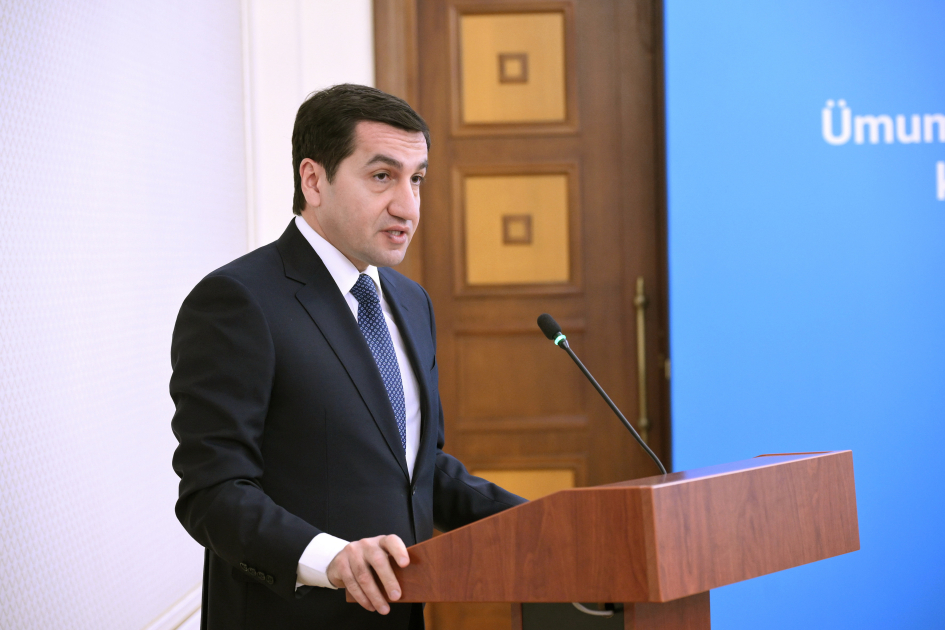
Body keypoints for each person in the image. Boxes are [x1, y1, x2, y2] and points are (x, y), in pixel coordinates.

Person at [170, 84, 526, 630]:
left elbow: (419, 471)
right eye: (382, 176)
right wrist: (331, 559)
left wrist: (547, 524)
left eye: (417, 179)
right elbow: (212, 493)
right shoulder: (238, 301)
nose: (408, 206)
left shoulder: (410, 301)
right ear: (313, 180)